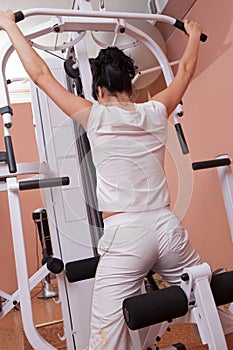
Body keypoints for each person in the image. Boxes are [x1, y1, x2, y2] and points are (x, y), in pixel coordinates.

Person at [0, 9, 233, 350]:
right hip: (167, 227)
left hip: (126, 236)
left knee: (105, 337)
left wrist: (8, 26)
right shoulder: (155, 110)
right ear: (130, 84)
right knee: (209, 302)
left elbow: (39, 75)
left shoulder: (93, 115)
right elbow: (183, 70)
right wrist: (194, 36)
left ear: (98, 89)